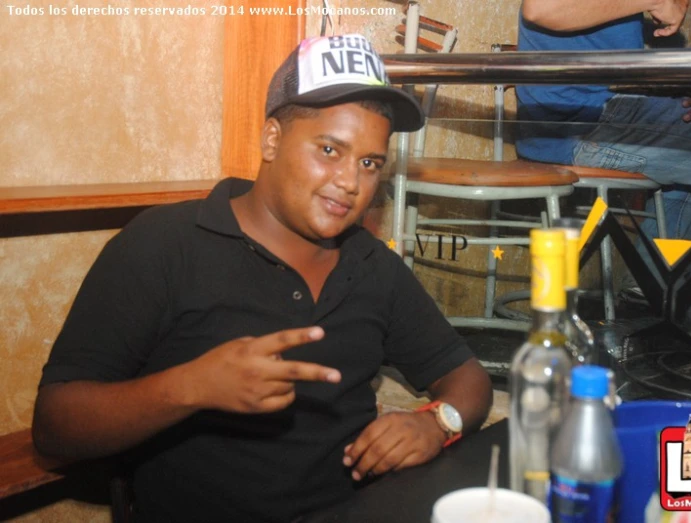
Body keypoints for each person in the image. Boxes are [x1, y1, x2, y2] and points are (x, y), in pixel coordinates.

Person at [32, 33, 493, 523]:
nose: (350, 182)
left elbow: (467, 378)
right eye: (330, 150)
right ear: (272, 138)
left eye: (369, 163)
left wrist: (438, 423)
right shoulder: (164, 244)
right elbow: (56, 424)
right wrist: (193, 386)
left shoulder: (372, 265)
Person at [515, 0, 691, 359]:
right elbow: (539, 9)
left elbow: (625, 67)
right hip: (578, 126)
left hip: (611, 109)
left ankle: (660, 305)